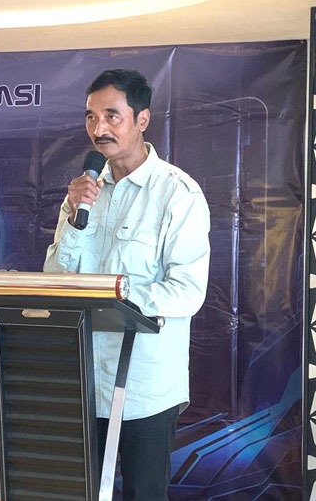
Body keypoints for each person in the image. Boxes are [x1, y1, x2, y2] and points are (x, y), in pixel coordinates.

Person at [44, 69, 211, 500]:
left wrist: (116, 296)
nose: (98, 128)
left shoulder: (177, 193)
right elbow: (56, 279)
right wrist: (74, 216)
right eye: (91, 117)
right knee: (76, 492)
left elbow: (188, 291)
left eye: (111, 116)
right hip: (83, 380)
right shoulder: (83, 193)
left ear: (142, 119)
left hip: (144, 387)